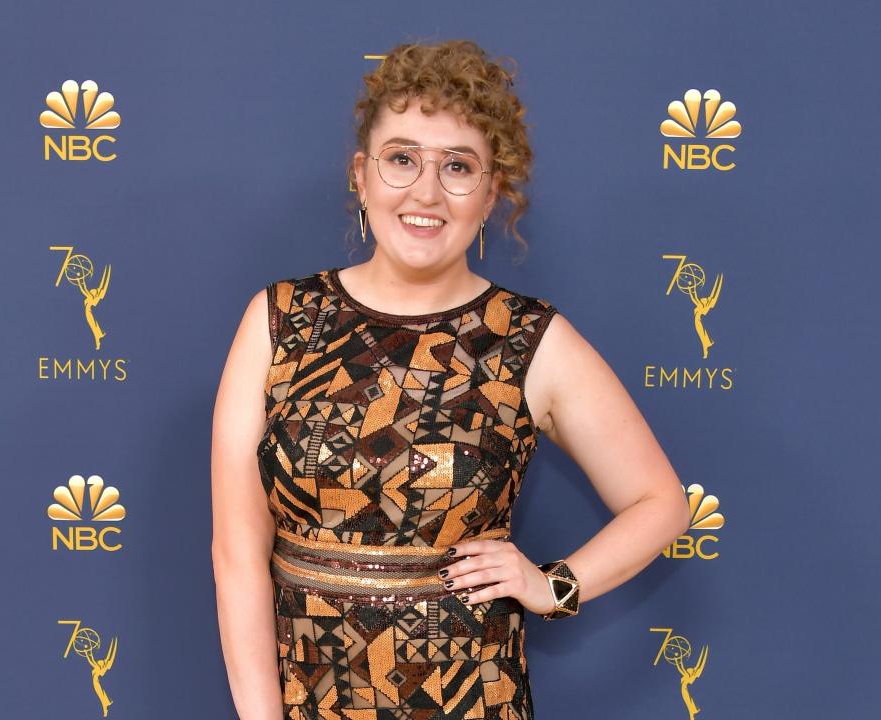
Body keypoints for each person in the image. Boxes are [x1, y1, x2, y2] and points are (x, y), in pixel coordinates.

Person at [211, 39, 690, 719]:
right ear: (361, 174)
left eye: (458, 166)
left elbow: (660, 503)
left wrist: (553, 584)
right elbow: (237, 553)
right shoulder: (279, 321)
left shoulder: (529, 340)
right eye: (402, 158)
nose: (426, 192)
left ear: (492, 190)